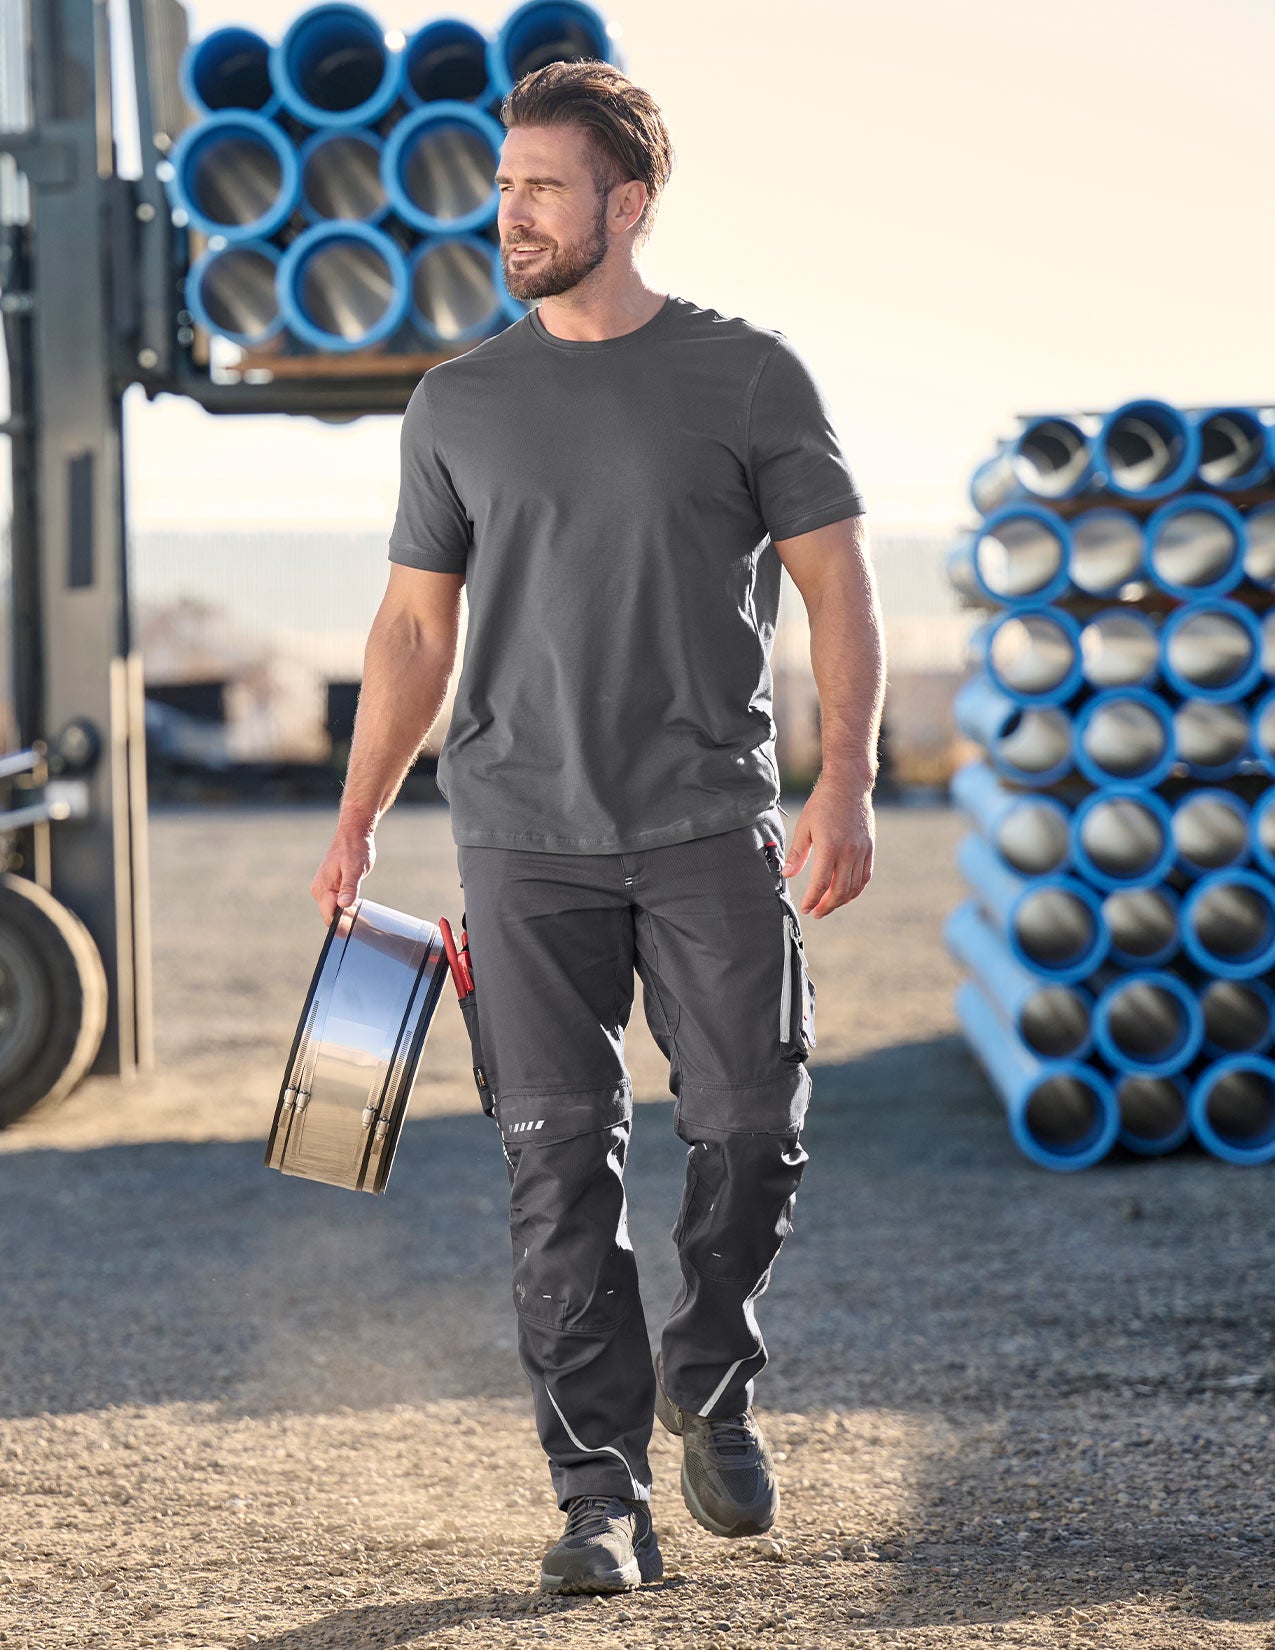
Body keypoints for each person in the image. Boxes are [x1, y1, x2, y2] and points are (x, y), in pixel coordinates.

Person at [311, 58, 886, 1597]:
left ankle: (707, 1372)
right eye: (502, 187)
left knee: (754, 1121)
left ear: (626, 206)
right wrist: (359, 813)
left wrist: (846, 783)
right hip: (522, 838)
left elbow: (838, 589)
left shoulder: (749, 377)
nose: (511, 214)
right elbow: (415, 635)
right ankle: (600, 1498)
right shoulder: (460, 401)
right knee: (555, 1159)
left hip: (710, 821)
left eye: (542, 188)